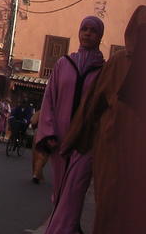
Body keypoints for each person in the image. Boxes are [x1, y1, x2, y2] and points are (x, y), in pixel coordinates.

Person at [61, 6, 146, 233]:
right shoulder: (119, 62)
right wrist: (74, 140)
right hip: (114, 148)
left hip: (145, 155)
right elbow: (92, 104)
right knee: (109, 208)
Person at [35, 16, 105, 234]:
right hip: (60, 140)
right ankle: (70, 227)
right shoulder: (63, 64)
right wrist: (48, 133)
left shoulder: (104, 71)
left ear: (100, 36)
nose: (87, 33)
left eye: (93, 30)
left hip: (85, 142)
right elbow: (49, 99)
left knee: (74, 190)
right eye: (84, 29)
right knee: (60, 192)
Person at [30, 108, 48, 184]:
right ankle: (37, 173)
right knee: (44, 155)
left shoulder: (40, 111)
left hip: (38, 133)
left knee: (36, 154)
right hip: (49, 135)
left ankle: (36, 173)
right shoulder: (56, 113)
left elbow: (33, 121)